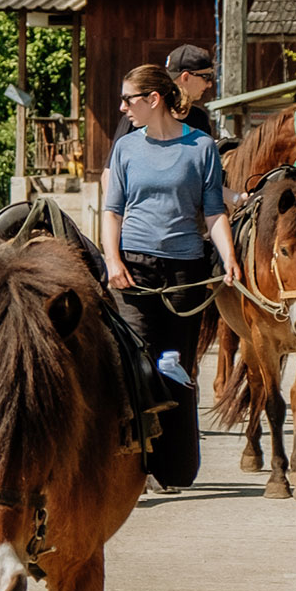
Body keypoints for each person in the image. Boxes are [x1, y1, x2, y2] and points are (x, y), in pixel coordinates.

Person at [103, 64, 238, 490]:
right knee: (134, 364)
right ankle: (132, 462)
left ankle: (175, 464)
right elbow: (113, 211)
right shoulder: (125, 147)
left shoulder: (201, 147)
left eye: (129, 99)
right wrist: (112, 260)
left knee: (174, 366)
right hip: (134, 267)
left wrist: (229, 257)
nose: (123, 107)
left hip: (184, 268)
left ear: (153, 99)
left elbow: (214, 211)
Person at [111, 43, 219, 141]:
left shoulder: (199, 118)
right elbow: (116, 161)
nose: (209, 84)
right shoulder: (139, 116)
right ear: (185, 77)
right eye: (206, 77)